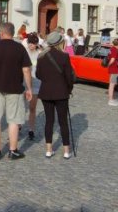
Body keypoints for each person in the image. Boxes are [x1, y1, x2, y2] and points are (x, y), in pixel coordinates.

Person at [0, 22, 32, 160]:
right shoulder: (19, 48)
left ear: (2, 33)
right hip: (15, 89)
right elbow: (26, 70)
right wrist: (29, 88)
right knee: (14, 120)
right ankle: (13, 151)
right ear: (12, 33)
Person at [35, 31, 75, 159]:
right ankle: (66, 151)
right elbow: (69, 77)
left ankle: (48, 150)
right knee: (63, 121)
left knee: (49, 121)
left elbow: (38, 75)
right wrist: (69, 89)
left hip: (46, 91)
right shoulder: (64, 56)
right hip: (61, 92)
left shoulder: (41, 56)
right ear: (59, 43)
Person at [23, 33, 42, 140]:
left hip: (36, 83)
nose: (31, 45)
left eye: (33, 43)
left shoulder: (40, 54)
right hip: (23, 83)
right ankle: (18, 125)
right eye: (30, 43)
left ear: (36, 44)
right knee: (21, 107)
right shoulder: (24, 52)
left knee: (32, 108)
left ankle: (31, 129)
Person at [107, 38, 118, 106]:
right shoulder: (115, 50)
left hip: (112, 69)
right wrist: (108, 65)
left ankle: (111, 98)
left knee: (112, 84)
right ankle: (110, 100)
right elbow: (112, 59)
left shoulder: (112, 48)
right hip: (114, 69)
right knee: (112, 84)